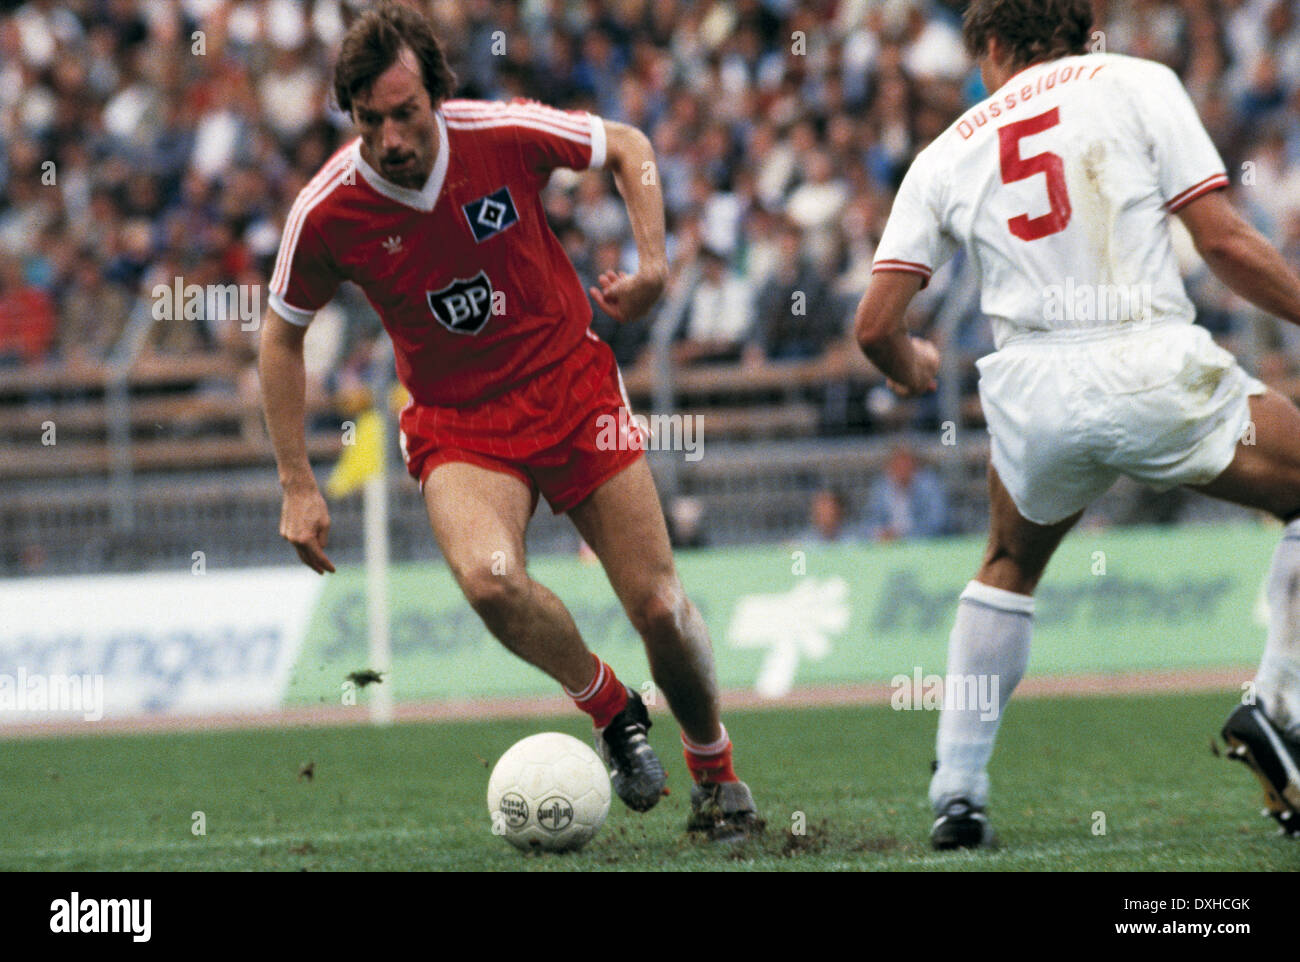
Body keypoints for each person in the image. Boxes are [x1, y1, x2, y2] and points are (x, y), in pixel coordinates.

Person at [258, 3, 760, 843]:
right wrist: (297, 481)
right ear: (352, 115)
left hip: (574, 392)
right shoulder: (328, 210)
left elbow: (629, 146)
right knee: (490, 577)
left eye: (406, 114)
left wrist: (655, 266)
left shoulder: (497, 133)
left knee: (662, 608)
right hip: (461, 426)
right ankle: (611, 709)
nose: (390, 137)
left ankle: (718, 774)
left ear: (436, 97)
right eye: (371, 120)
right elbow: (280, 336)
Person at [854, 0, 1300, 849]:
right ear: (1075, 30)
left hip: (1034, 390)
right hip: (1149, 358)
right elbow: (1225, 241)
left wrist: (911, 367)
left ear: (989, 44)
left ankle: (958, 793)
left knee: (1008, 565)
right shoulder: (1135, 81)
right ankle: (1279, 707)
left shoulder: (950, 147)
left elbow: (876, 326)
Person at [862, 444, 948, 542]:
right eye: (897, 465)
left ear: (915, 467)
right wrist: (880, 532)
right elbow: (870, 519)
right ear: (889, 468)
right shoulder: (881, 488)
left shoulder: (929, 485)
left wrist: (903, 535)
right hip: (889, 545)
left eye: (906, 464)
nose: (902, 469)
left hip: (924, 543)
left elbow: (938, 521)